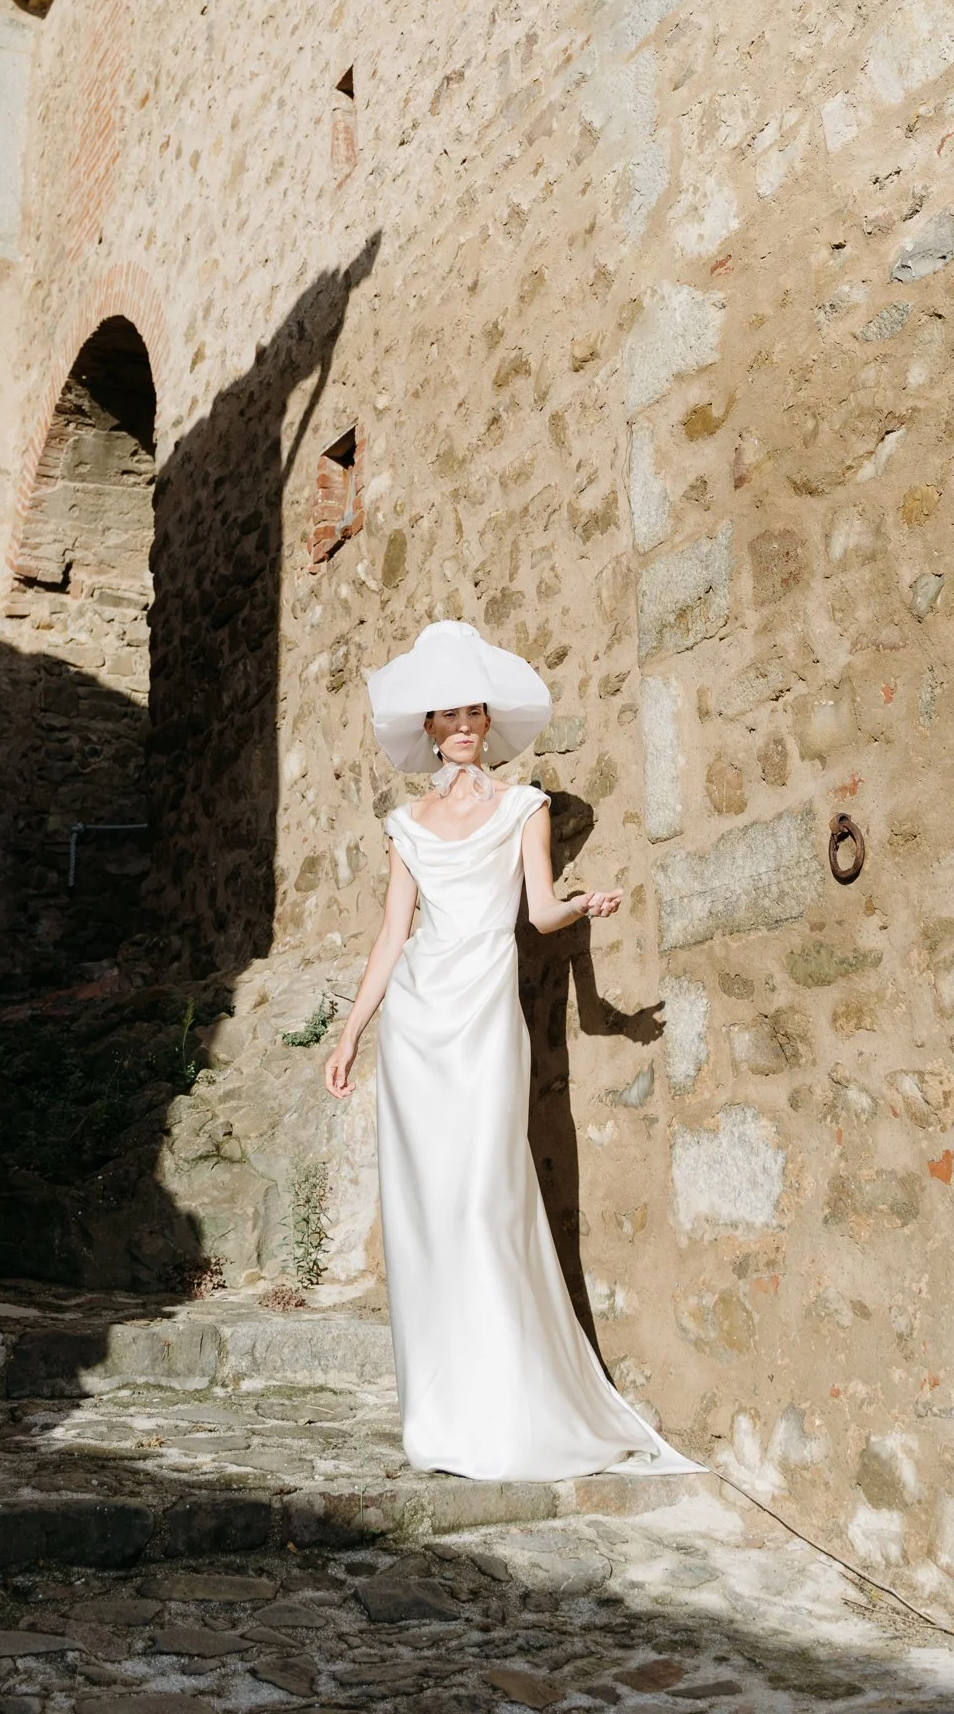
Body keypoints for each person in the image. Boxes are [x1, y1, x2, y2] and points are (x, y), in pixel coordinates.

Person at [324, 620, 700, 1482]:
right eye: (448, 717)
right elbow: (391, 936)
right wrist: (350, 1036)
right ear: (426, 728)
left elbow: (536, 914)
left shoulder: (525, 808)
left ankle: (510, 1409)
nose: (463, 729)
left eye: (474, 716)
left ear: (488, 724)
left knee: (487, 1198)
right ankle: (444, 1415)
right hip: (416, 1023)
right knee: (427, 1213)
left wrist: (583, 906)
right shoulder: (406, 824)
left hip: (485, 1015)